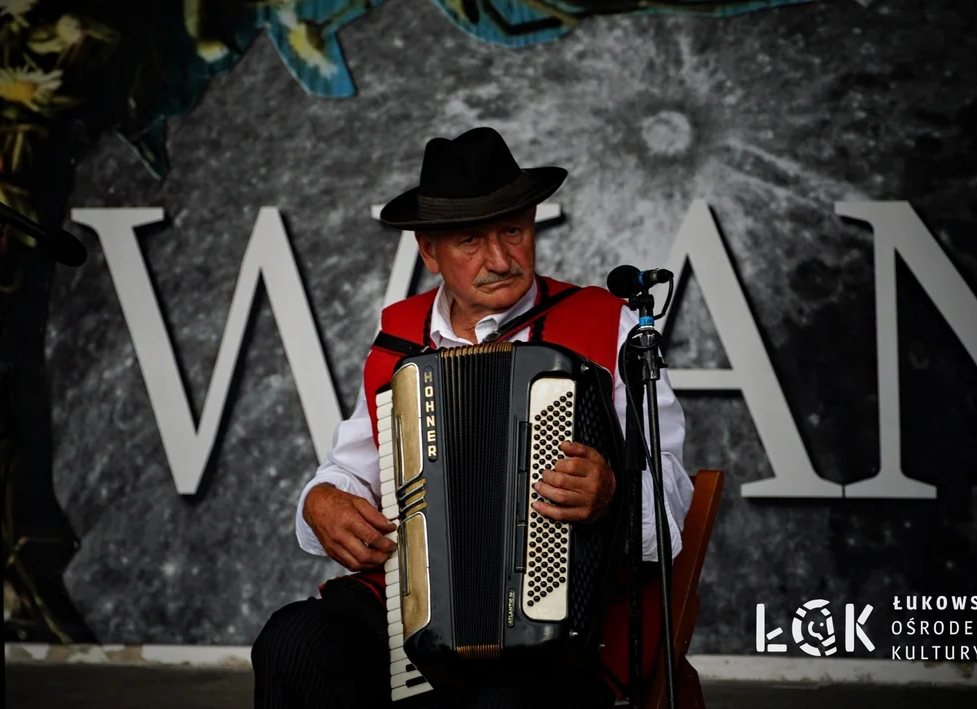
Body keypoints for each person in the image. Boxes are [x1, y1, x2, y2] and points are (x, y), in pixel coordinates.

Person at [253, 127, 694, 709]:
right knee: (293, 641)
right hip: (417, 612)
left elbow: (668, 489)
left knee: (504, 701)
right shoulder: (398, 340)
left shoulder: (606, 327)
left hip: (564, 628)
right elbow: (349, 470)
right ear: (429, 252)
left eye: (513, 230)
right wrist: (323, 501)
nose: (500, 259)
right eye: (469, 241)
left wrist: (612, 494)